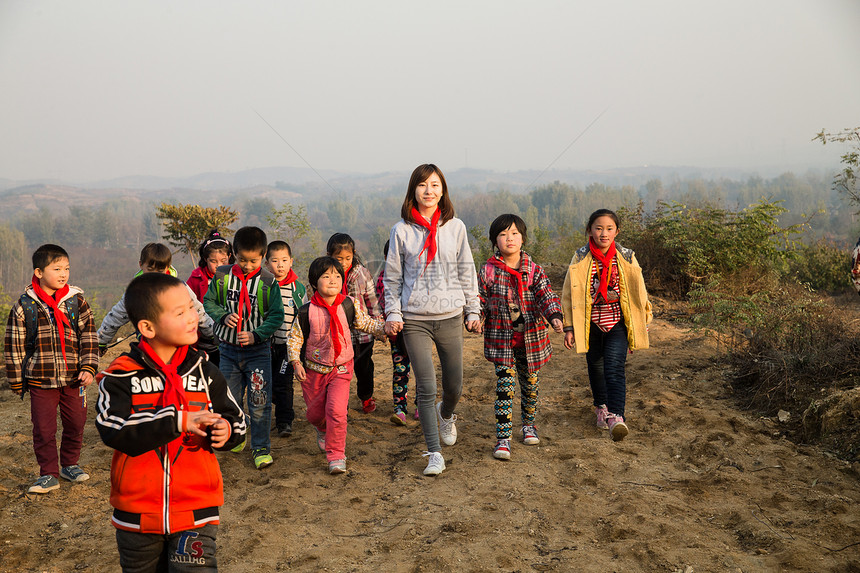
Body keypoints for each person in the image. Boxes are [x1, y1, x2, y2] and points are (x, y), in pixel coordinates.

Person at [95, 272, 246, 572]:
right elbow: (113, 429)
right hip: (137, 514)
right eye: (180, 312)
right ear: (147, 327)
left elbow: (237, 422)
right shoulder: (121, 374)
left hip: (196, 510)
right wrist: (178, 421)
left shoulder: (205, 371)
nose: (193, 317)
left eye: (191, 307)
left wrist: (226, 430)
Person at [383, 163, 481, 476]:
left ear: (443, 190)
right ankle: (434, 453)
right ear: (413, 190)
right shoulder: (401, 231)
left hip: (450, 316)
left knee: (454, 386)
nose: (429, 191)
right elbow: (392, 278)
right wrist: (394, 312)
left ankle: (446, 414)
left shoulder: (456, 227)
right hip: (414, 320)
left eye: (435, 185)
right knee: (426, 386)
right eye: (423, 185)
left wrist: (472, 309)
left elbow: (467, 270)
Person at [4, 244, 98, 494]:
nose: (63, 274)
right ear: (38, 272)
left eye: (66, 268)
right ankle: (48, 473)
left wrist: (89, 367)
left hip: (73, 379)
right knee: (44, 429)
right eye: (56, 269)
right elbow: (14, 345)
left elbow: (89, 336)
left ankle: (70, 464)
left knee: (76, 424)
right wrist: (16, 380)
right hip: (40, 380)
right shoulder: (25, 306)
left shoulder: (77, 302)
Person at [561, 209, 652, 441]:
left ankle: (616, 416)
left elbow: (639, 291)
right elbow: (569, 293)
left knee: (614, 367)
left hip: (618, 322)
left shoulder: (627, 256)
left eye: (609, 228)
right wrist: (569, 327)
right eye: (598, 228)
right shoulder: (580, 257)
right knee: (596, 367)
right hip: (589, 323)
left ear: (617, 231)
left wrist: (643, 321)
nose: (604, 233)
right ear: (590, 230)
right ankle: (600, 406)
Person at [288, 257, 385, 474]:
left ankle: (336, 455)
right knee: (314, 414)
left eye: (337, 275)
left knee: (337, 411)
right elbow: (295, 339)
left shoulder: (349, 304)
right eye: (326, 276)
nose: (333, 280)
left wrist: (383, 329)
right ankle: (322, 428)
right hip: (313, 370)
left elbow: (365, 322)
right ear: (314, 282)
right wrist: (296, 362)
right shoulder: (305, 311)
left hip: (341, 368)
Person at [479, 214, 563, 460]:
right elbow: (480, 298)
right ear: (495, 241)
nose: (509, 239)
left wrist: (554, 316)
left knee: (530, 386)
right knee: (505, 387)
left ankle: (528, 425)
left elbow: (546, 295)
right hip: (501, 340)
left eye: (514, 233)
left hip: (531, 340)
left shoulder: (534, 270)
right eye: (503, 234)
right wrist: (475, 317)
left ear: (523, 238)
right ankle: (503, 438)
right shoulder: (489, 270)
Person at [203, 226, 284, 469]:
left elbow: (276, 316)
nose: (247, 265)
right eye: (242, 259)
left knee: (259, 401)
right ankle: (237, 436)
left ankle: (261, 448)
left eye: (254, 261)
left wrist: (257, 335)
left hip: (258, 353)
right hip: (227, 350)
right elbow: (209, 301)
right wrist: (221, 315)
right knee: (231, 400)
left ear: (263, 256)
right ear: (233, 254)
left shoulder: (269, 282)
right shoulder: (221, 276)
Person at [98, 243, 214, 355]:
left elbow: (199, 312)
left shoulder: (180, 288)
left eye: (160, 271)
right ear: (141, 265)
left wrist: (213, 336)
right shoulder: (136, 292)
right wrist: (100, 342)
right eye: (150, 269)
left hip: (177, 339)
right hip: (149, 342)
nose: (155, 275)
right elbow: (116, 317)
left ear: (167, 268)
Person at [326, 233, 381, 414]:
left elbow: (371, 301)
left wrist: (378, 325)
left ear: (354, 254)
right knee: (339, 371)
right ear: (329, 256)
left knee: (364, 368)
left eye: (347, 258)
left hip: (362, 335)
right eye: (338, 258)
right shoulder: (326, 274)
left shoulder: (362, 274)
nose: (343, 262)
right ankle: (341, 401)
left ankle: (366, 397)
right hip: (336, 334)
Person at [266, 239, 306, 437]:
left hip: (287, 347)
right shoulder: (262, 285)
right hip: (264, 344)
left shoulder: (298, 288)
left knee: (284, 383)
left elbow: (303, 316)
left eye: (284, 260)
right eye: (274, 261)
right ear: (266, 264)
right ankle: (263, 419)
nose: (280, 265)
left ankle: (284, 422)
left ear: (291, 261)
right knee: (265, 383)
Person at [375, 240, 418, 426]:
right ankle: (400, 409)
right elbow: (381, 305)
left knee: (422, 370)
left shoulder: (416, 277)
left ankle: (421, 406)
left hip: (418, 331)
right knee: (400, 371)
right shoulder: (383, 280)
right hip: (397, 334)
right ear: (386, 258)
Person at [187, 230, 234, 367]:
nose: (218, 265)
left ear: (230, 257)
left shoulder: (235, 277)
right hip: (201, 337)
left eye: (223, 260)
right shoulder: (196, 278)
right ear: (205, 259)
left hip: (227, 337)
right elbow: (188, 302)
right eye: (213, 261)